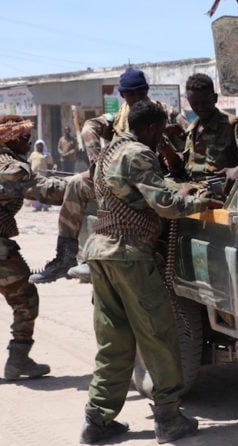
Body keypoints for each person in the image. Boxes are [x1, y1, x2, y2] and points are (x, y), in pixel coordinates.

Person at [79, 100, 223, 445]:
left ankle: (97, 419)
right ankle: (169, 419)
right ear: (151, 128)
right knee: (157, 334)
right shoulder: (138, 153)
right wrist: (205, 200)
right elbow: (166, 205)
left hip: (102, 253)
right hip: (129, 256)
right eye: (160, 132)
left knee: (114, 339)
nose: (162, 138)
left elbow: (140, 195)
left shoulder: (107, 152)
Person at [29, 67, 186, 284]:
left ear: (147, 91)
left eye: (140, 93)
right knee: (76, 183)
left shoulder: (165, 113)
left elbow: (189, 145)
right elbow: (88, 127)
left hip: (155, 177)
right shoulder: (118, 116)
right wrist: (98, 165)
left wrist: (169, 145)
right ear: (122, 95)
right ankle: (66, 257)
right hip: (118, 175)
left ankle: (105, 256)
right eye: (130, 94)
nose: (136, 98)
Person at [0, 115, 67, 380]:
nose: (27, 144)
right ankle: (18, 361)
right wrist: (83, 185)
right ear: (11, 139)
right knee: (25, 299)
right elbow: (47, 191)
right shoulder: (11, 168)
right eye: (24, 139)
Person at [158, 73, 238, 186]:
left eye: (205, 103)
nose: (200, 108)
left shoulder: (232, 125)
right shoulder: (192, 130)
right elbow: (188, 166)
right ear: (188, 101)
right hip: (195, 191)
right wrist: (167, 151)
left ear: (215, 98)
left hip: (222, 193)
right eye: (195, 104)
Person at [27, 139, 54, 211]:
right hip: (34, 175)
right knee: (35, 191)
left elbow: (50, 164)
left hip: (43, 175)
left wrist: (49, 173)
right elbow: (29, 163)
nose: (39, 146)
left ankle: (45, 206)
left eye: (41, 145)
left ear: (43, 146)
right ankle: (37, 206)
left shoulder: (46, 154)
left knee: (44, 191)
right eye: (38, 145)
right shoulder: (33, 154)